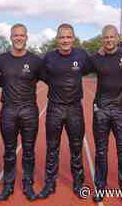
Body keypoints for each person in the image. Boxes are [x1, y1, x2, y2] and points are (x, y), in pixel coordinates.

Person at [86, 24, 122, 205]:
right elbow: (74, 63)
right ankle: (100, 188)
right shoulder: (95, 58)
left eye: (112, 37)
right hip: (101, 110)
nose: (109, 40)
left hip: (121, 111)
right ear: (102, 39)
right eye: (105, 38)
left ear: (118, 38)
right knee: (101, 152)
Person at [0, 24, 45, 201]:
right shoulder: (0, 60)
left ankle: (28, 184)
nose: (19, 38)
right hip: (8, 110)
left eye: (22, 35)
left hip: (29, 110)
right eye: (15, 35)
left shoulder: (36, 61)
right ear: (11, 37)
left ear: (26, 37)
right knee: (9, 150)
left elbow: (51, 77)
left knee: (28, 150)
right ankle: (8, 185)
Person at [38, 23, 88, 199]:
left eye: (68, 37)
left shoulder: (82, 55)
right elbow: (39, 73)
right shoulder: (48, 57)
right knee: (52, 148)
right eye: (62, 37)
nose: (65, 40)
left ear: (73, 38)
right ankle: (49, 185)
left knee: (76, 148)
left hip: (75, 108)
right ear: (57, 39)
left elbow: (93, 67)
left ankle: (78, 183)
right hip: (55, 109)